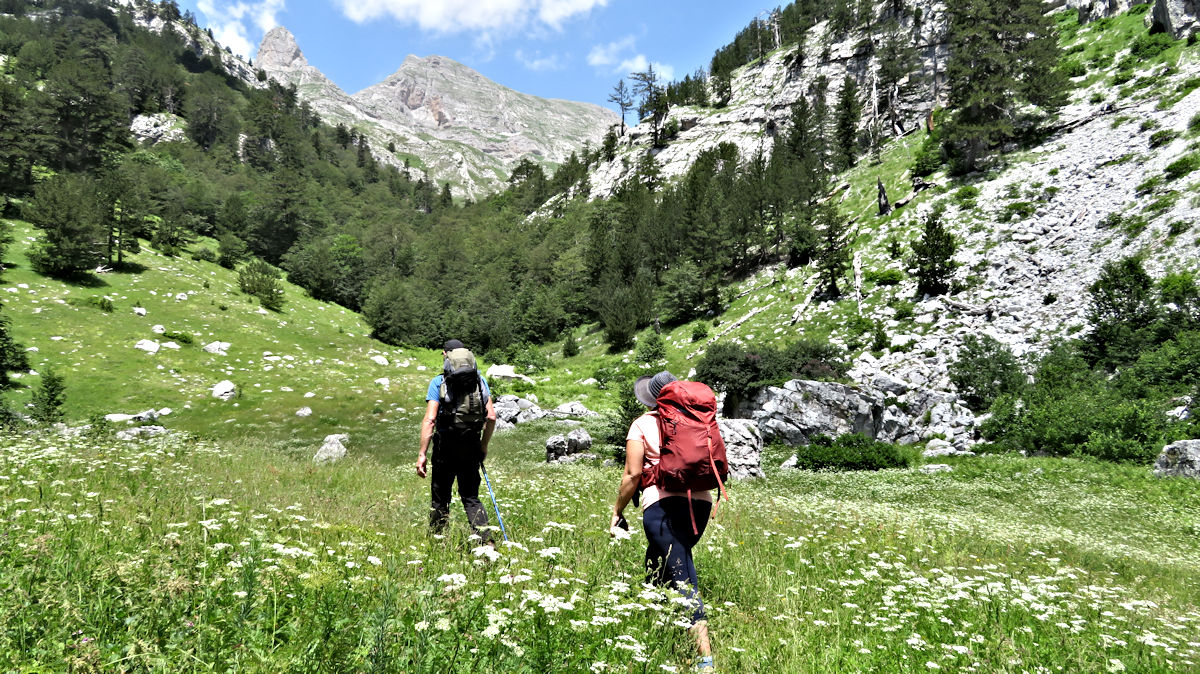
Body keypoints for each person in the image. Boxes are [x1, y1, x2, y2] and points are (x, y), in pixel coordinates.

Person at [611, 371, 715, 673]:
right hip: (701, 504)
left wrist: (617, 511)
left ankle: (705, 659)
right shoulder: (698, 422)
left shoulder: (643, 423)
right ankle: (652, 630)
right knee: (657, 562)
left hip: (662, 505)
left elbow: (631, 475)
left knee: (682, 575)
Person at [416, 339, 497, 542]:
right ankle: (486, 543)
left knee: (440, 497)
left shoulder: (439, 382)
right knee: (471, 497)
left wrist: (422, 454)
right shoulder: (480, 381)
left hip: (445, 446)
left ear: (445, 354)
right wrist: (483, 446)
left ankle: (437, 542)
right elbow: (491, 417)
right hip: (471, 445)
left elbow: (430, 419)